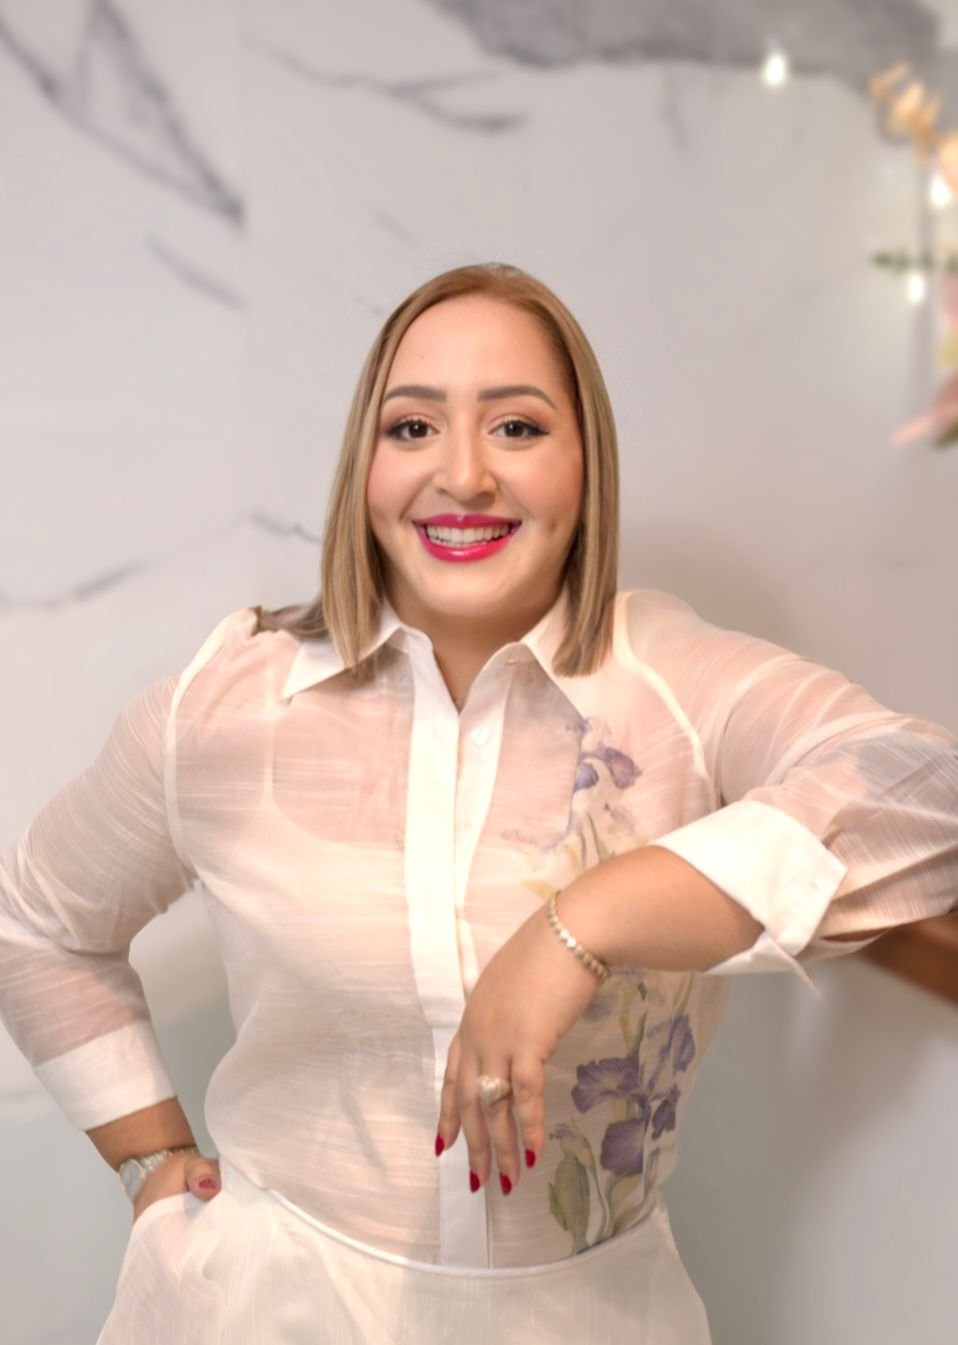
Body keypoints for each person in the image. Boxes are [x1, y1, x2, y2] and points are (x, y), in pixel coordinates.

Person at [1, 262, 956, 1345]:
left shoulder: (679, 686)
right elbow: (36, 922)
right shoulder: (228, 707)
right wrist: (152, 1162)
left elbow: (929, 797)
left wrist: (580, 923)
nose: (462, 475)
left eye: (516, 427)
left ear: (586, 464)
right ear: (363, 465)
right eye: (412, 428)